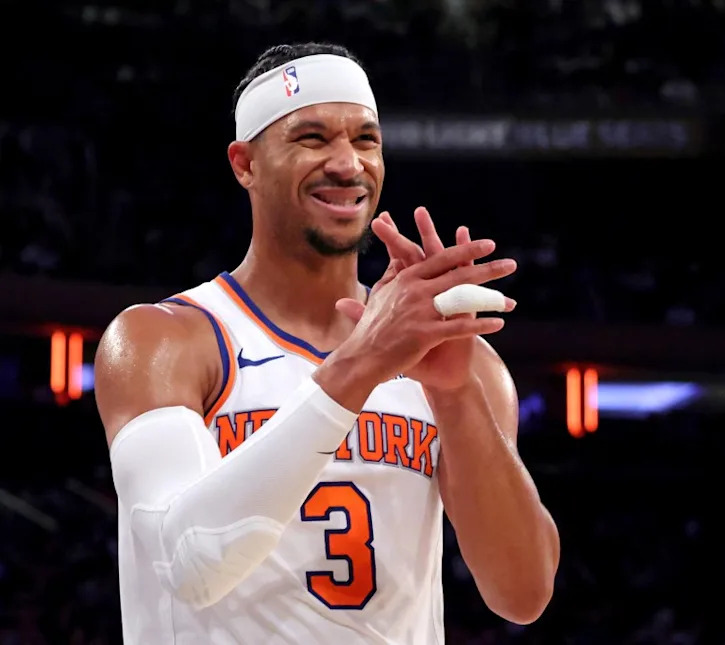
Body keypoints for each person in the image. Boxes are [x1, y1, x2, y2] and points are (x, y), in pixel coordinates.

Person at [94, 42, 560, 644]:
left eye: (366, 140)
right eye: (312, 139)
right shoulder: (163, 341)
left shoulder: (455, 360)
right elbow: (187, 564)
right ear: (245, 164)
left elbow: (523, 594)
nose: (347, 163)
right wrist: (360, 365)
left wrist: (455, 391)